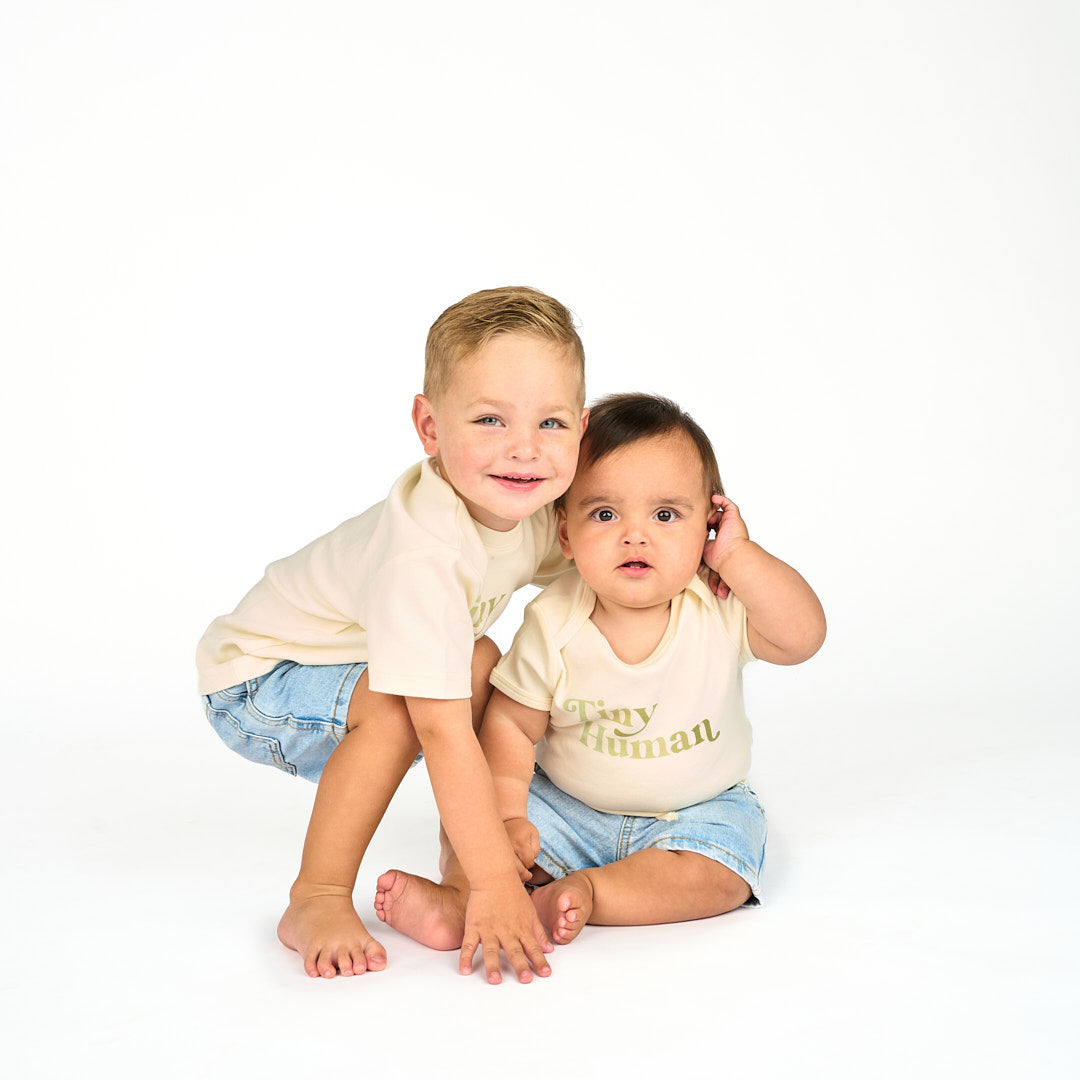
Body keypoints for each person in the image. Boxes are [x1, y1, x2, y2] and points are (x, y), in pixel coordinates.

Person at [196, 286, 589, 983]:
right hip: (258, 679)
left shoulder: (525, 507)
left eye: (551, 423)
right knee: (399, 704)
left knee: (479, 662)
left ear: (582, 430)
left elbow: (593, 566)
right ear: (430, 427)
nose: (525, 449)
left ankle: (460, 888)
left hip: (349, 664)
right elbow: (440, 731)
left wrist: (708, 565)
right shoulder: (424, 557)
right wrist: (507, 885)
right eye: (491, 419)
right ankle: (314, 896)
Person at [373, 392, 825, 948]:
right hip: (567, 808)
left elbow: (803, 638)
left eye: (665, 515)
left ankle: (590, 892)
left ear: (708, 523)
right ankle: (464, 898)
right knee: (477, 814)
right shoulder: (555, 619)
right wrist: (512, 816)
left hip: (697, 812)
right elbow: (513, 725)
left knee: (723, 870)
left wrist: (737, 556)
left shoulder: (719, 602)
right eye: (605, 514)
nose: (635, 535)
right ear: (565, 533)